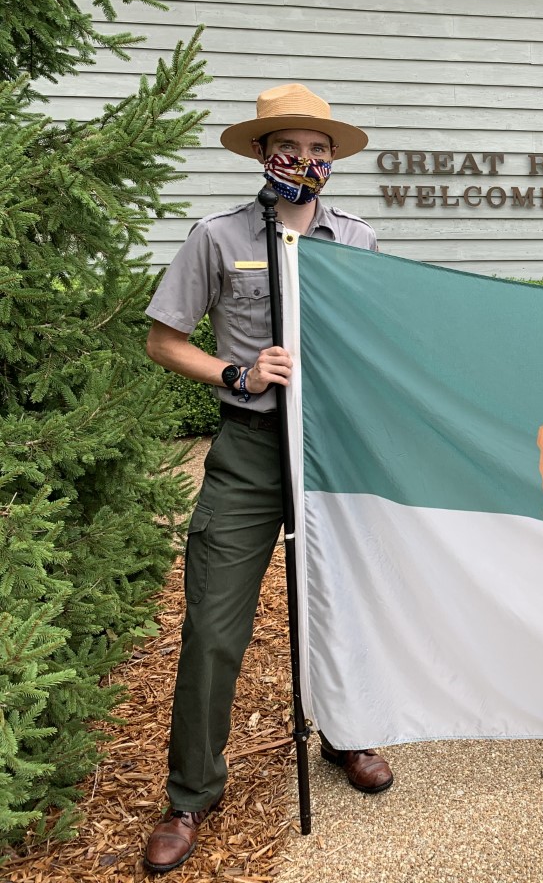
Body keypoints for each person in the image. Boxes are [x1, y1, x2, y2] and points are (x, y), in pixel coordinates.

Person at [142, 83, 394, 874]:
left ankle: (346, 737)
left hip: (331, 449)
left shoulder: (356, 237)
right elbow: (163, 341)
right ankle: (191, 794)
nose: (308, 161)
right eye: (292, 147)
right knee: (214, 625)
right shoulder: (217, 238)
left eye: (321, 151)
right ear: (261, 152)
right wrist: (239, 373)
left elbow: (383, 341)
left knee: (342, 606)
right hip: (250, 449)